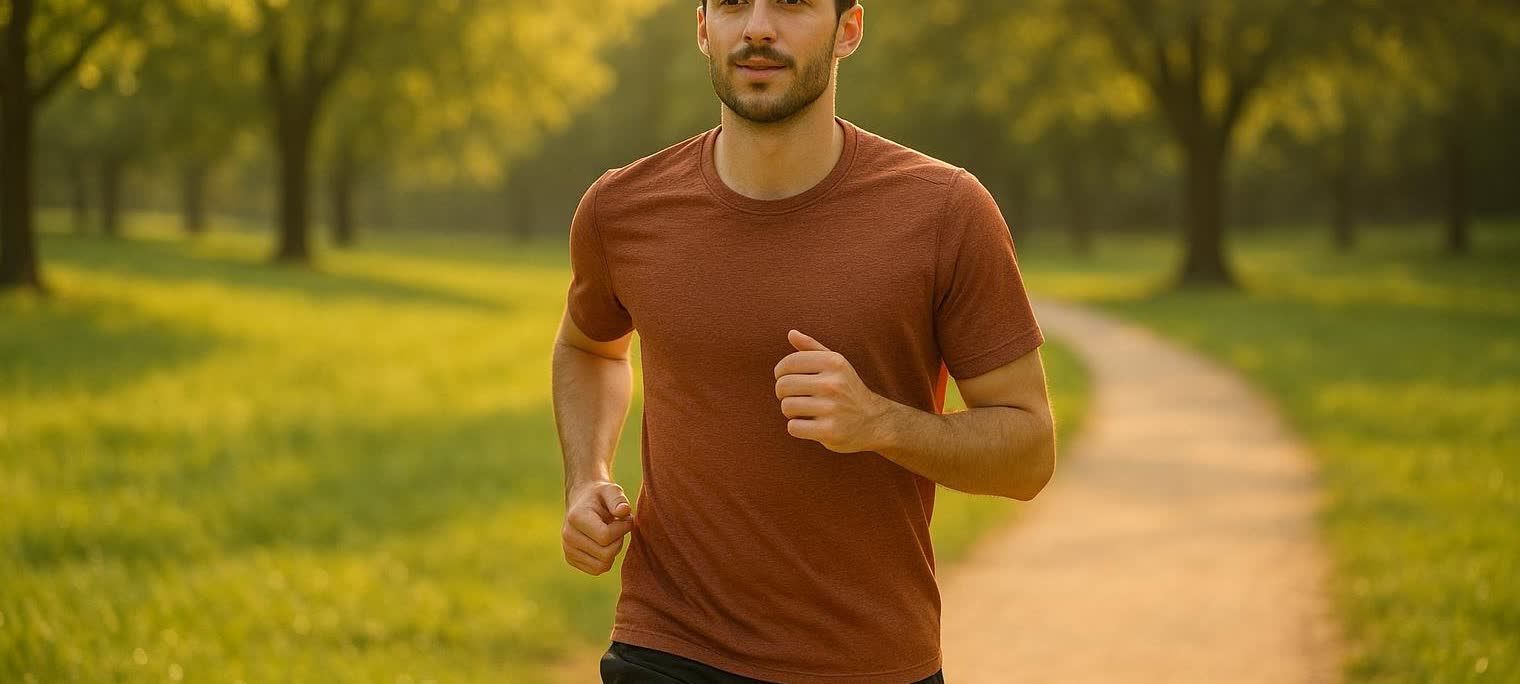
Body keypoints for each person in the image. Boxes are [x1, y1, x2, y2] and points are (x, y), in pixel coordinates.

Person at [551, 1, 1057, 681]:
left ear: (848, 29)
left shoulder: (946, 212)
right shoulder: (621, 208)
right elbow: (589, 346)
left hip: (866, 662)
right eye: (732, 3)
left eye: (791, 2)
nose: (758, 26)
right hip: (667, 647)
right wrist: (588, 479)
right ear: (703, 29)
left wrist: (882, 422)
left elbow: (1028, 453)